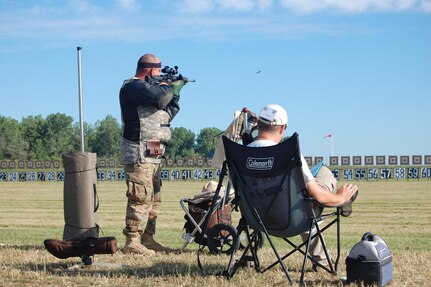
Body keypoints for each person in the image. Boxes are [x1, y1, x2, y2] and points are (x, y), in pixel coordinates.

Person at [248, 104, 358, 269]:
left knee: (302, 196)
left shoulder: (240, 154)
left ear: (257, 123)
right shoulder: (288, 155)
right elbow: (319, 197)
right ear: (282, 129)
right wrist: (341, 197)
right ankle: (343, 206)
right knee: (323, 175)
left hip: (256, 220)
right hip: (292, 220)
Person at [119, 53, 185, 255]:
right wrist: (169, 87)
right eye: (158, 71)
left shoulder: (153, 89)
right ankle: (132, 241)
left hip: (155, 150)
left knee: (154, 197)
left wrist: (176, 93)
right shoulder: (133, 86)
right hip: (138, 149)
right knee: (140, 196)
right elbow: (159, 97)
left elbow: (169, 109)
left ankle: (147, 238)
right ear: (151, 71)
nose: (160, 74)